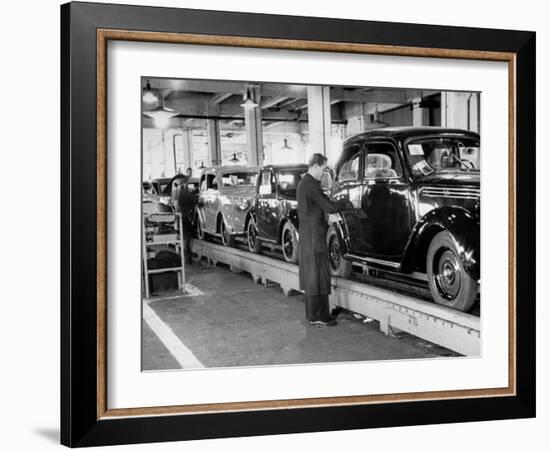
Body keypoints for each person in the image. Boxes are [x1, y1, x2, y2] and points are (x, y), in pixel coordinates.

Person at [297, 153, 345, 328]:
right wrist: (346, 201)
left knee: (313, 276)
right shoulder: (311, 185)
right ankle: (320, 316)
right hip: (314, 237)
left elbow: (314, 209)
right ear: (316, 166)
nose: (324, 173)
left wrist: (326, 219)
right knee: (318, 275)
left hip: (308, 234)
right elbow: (330, 206)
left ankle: (314, 315)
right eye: (324, 169)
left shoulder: (305, 183)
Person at [171, 174, 195, 265]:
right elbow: (187, 206)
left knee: (186, 241)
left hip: (182, 221)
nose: (186, 186)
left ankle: (187, 259)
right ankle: (187, 260)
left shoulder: (177, 195)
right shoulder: (182, 195)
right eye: (185, 184)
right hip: (184, 221)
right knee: (186, 241)